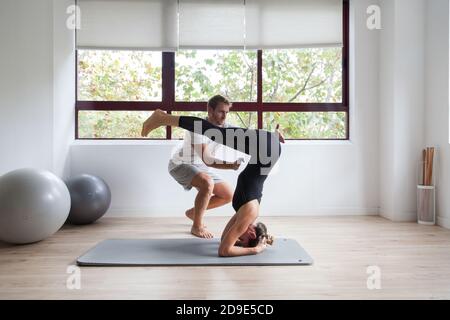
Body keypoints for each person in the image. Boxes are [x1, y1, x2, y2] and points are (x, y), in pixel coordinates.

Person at [141, 109, 284, 257]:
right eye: (243, 239)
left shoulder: (245, 215)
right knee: (213, 132)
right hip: (267, 149)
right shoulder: (249, 213)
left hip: (267, 148)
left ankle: (164, 118)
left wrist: (261, 239)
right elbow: (224, 251)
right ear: (252, 233)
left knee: (216, 132)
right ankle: (163, 118)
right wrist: (255, 249)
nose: (238, 238)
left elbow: (224, 239)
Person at [168, 95, 240, 239]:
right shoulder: (197, 127)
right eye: (221, 112)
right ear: (209, 110)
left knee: (228, 195)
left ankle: (193, 213)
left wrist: (272, 136)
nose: (224, 116)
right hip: (181, 164)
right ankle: (197, 226)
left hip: (200, 166)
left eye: (227, 112)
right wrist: (231, 165)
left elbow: (249, 134)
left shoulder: (224, 126)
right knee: (207, 183)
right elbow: (208, 160)